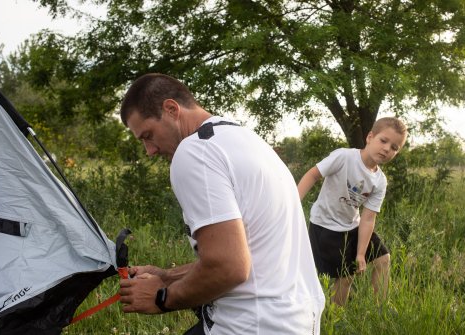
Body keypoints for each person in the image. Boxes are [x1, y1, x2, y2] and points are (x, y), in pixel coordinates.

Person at [117, 73, 325, 334]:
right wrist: (167, 276)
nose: (150, 150)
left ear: (171, 109)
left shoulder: (195, 152)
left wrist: (161, 297)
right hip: (295, 320)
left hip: (250, 325)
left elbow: (229, 267)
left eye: (148, 135)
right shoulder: (246, 140)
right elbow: (249, 258)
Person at [297, 117, 407, 306]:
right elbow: (313, 174)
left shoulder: (380, 181)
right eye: (383, 140)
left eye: (395, 147)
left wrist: (361, 254)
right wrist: (292, 203)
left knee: (383, 259)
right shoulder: (345, 157)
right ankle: (336, 318)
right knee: (346, 277)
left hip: (352, 225)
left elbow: (368, 219)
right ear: (369, 137)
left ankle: (378, 311)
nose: (387, 148)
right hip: (326, 225)